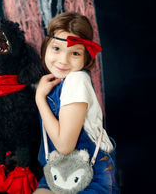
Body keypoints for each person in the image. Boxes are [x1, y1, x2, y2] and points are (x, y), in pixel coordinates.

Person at [34, 12, 120, 193]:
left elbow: (65, 146)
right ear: (46, 47)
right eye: (56, 49)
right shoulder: (55, 81)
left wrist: (39, 99)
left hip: (91, 173)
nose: (63, 60)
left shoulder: (76, 81)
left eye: (74, 53)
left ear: (85, 57)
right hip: (58, 171)